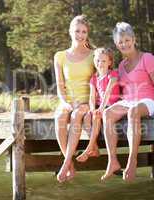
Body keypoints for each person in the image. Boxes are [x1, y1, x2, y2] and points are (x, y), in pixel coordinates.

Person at [101, 22, 154, 182]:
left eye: (127, 40)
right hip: (129, 101)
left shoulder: (147, 58)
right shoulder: (122, 65)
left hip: (147, 100)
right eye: (120, 42)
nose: (124, 44)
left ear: (134, 39)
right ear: (117, 45)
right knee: (107, 113)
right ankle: (113, 161)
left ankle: (132, 160)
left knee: (133, 112)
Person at [54, 15, 95, 183]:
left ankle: (65, 164)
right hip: (68, 100)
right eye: (77, 31)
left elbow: (99, 82)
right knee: (60, 116)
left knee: (74, 116)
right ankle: (69, 162)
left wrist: (89, 104)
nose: (80, 35)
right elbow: (59, 84)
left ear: (87, 33)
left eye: (84, 31)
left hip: (87, 101)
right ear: (70, 32)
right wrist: (65, 102)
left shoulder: (94, 54)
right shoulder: (60, 56)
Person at [76, 48, 120, 163]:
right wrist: (92, 109)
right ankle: (94, 147)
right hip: (101, 105)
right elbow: (92, 97)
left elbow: (108, 92)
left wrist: (100, 109)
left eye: (104, 61)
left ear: (110, 62)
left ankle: (89, 148)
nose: (100, 63)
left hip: (112, 105)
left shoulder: (113, 75)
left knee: (97, 116)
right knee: (87, 117)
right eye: (98, 60)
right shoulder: (94, 78)